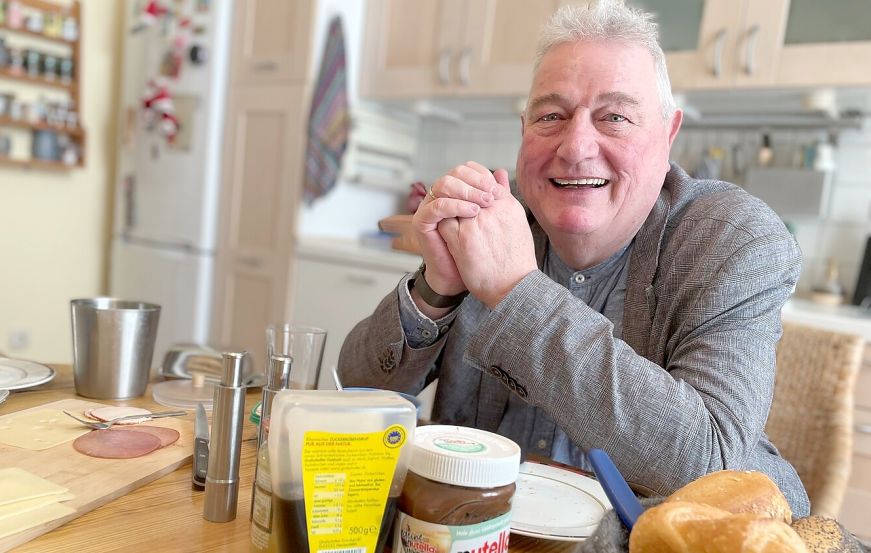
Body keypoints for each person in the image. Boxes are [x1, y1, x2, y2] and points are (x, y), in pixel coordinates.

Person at [338, 0, 809, 516]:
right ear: (523, 129)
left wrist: (516, 291)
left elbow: (707, 463)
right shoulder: (500, 218)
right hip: (476, 529)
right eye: (551, 116)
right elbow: (358, 389)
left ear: (668, 134)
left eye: (614, 117)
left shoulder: (733, 240)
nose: (576, 145)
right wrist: (437, 290)